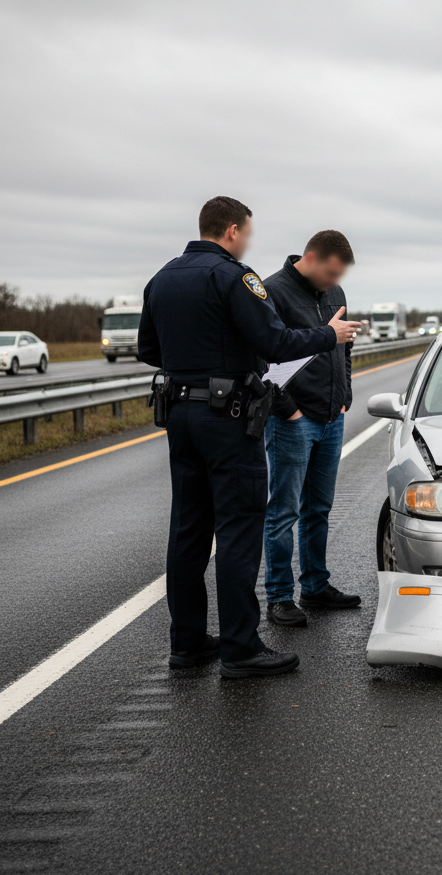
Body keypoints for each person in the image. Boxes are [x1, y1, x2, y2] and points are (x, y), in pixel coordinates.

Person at [138, 197, 362, 678]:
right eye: (248, 234)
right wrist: (329, 336)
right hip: (228, 417)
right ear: (233, 231)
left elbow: (147, 348)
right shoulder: (237, 278)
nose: (248, 243)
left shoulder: (162, 278)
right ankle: (241, 647)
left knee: (188, 532)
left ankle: (188, 642)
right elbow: (275, 343)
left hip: (179, 413)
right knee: (238, 530)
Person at [261, 231, 361, 626]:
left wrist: (345, 395)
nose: (335, 283)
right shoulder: (272, 292)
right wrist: (289, 411)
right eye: (330, 273)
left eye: (340, 276)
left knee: (318, 508)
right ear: (312, 257)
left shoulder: (335, 293)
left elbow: (344, 348)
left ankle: (316, 587)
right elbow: (264, 360)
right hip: (292, 420)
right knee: (283, 511)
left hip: (331, 416)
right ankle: (280, 597)